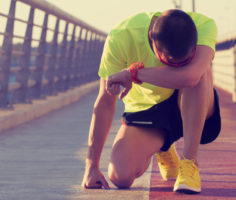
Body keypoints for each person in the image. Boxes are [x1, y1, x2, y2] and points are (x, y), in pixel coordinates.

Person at [81, 9, 221, 194]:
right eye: (169, 62)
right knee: (120, 176)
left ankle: (189, 164)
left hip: (193, 102)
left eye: (182, 63)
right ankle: (164, 147)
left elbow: (190, 77)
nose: (175, 68)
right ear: (151, 40)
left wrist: (132, 74)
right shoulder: (121, 38)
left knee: (200, 74)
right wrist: (91, 166)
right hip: (148, 110)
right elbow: (105, 103)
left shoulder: (204, 25)